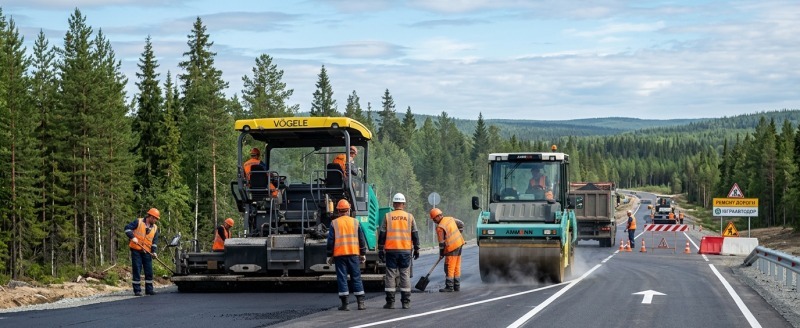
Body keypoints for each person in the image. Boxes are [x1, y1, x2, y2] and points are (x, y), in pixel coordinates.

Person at [378, 193, 420, 310]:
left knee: (390, 275)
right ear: (403, 204)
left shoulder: (388, 216)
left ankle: (390, 302)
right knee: (404, 274)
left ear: (393, 204)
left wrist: (380, 249)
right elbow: (415, 234)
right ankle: (405, 302)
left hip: (391, 250)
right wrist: (417, 248)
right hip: (405, 250)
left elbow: (382, 234)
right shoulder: (410, 217)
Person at [326, 199, 368, 311]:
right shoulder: (355, 222)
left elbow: (330, 241)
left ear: (338, 211)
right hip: (353, 254)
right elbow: (361, 239)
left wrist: (329, 255)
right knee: (356, 277)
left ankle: (345, 304)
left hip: (340, 255)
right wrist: (363, 253)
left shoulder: (334, 223)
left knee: (342, 278)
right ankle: (361, 303)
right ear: (349, 210)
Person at [125, 207, 160, 296]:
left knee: (149, 270)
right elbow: (127, 229)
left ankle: (149, 289)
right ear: (151, 217)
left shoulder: (155, 228)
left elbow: (154, 242)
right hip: (136, 250)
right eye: (155, 218)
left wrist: (154, 252)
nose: (155, 220)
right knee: (137, 269)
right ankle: (137, 290)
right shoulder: (138, 222)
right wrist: (133, 237)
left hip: (147, 252)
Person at [429, 208, 465, 292]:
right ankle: (457, 286)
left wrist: (441, 253)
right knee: (456, 266)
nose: (434, 221)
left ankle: (449, 286)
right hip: (459, 243)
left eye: (434, 219)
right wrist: (458, 233)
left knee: (449, 266)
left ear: (438, 216)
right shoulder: (450, 219)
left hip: (452, 247)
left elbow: (441, 243)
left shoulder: (440, 228)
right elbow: (461, 224)